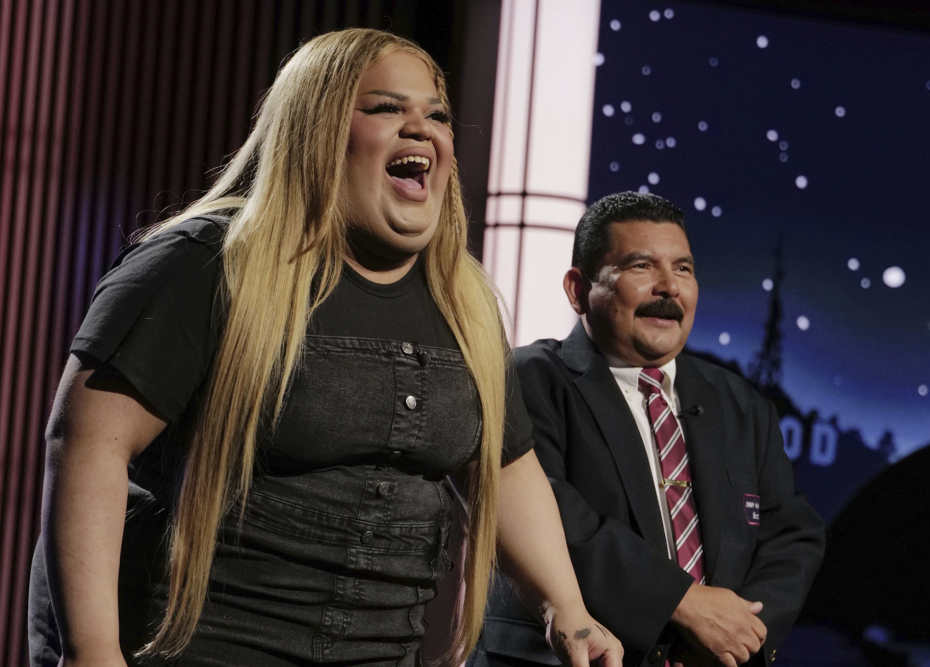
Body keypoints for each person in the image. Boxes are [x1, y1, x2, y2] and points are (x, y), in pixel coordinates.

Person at [28, 29, 624, 667]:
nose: (422, 129)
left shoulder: (465, 302)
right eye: (387, 108)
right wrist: (90, 649)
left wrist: (569, 610)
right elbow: (88, 443)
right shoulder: (206, 264)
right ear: (315, 129)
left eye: (438, 115)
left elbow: (504, 467)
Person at [470, 192, 825, 667]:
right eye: (641, 267)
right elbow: (546, 516)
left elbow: (791, 534)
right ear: (578, 289)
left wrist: (736, 635)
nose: (669, 288)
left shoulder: (740, 404)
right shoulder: (527, 379)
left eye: (683, 269)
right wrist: (683, 606)